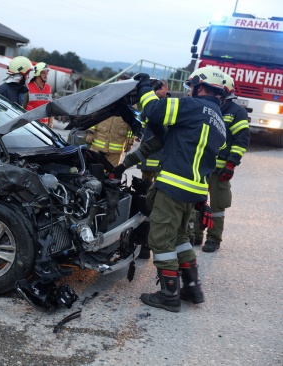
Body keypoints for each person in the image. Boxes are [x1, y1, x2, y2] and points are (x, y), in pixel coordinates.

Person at [113, 66, 228, 312]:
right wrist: (123, 166)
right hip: (194, 191)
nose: (189, 91)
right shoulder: (218, 121)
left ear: (201, 85)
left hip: (174, 186)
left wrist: (144, 86)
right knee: (180, 238)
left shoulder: (193, 107)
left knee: (161, 240)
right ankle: (192, 288)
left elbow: (154, 110)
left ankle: (169, 295)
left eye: (192, 86)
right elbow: (161, 141)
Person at [192, 74, 250, 253]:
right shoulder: (207, 107)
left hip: (221, 168)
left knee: (217, 205)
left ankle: (213, 239)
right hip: (201, 166)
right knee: (196, 201)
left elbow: (241, 140)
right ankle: (196, 234)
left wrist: (231, 164)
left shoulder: (236, 112)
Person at [133, 78, 170, 260]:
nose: (156, 91)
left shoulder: (169, 106)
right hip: (148, 156)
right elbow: (141, 120)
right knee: (144, 195)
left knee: (157, 200)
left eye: (158, 88)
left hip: (160, 158)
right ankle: (144, 243)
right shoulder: (152, 106)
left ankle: (150, 244)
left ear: (166, 89)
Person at [85, 74, 135, 167]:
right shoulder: (103, 98)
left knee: (111, 174)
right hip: (98, 143)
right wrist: (90, 132)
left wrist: (130, 141)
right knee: (92, 169)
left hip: (116, 147)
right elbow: (93, 116)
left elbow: (132, 126)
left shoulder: (131, 104)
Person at [26, 62, 54, 128]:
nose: (46, 75)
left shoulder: (48, 88)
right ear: (37, 73)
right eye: (43, 73)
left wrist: (51, 124)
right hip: (30, 126)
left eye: (47, 72)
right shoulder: (28, 87)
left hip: (44, 127)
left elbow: (51, 108)